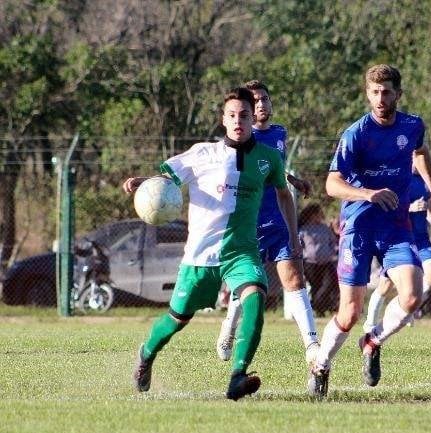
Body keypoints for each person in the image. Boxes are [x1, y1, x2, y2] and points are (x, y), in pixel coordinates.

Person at [125, 87, 300, 400]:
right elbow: (167, 180)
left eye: (244, 115)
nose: (238, 121)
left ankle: (237, 375)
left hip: (242, 252)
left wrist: (293, 235)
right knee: (177, 320)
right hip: (200, 256)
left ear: (252, 117)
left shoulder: (268, 158)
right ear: (223, 119)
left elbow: (284, 195)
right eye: (232, 115)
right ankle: (146, 355)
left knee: (256, 299)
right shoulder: (202, 154)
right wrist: (144, 183)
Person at [307, 64, 431, 398]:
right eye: (374, 92)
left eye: (386, 91)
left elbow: (419, 152)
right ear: (367, 94)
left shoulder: (413, 126)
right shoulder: (356, 134)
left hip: (395, 226)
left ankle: (372, 341)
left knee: (414, 294)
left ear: (398, 94)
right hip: (358, 227)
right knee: (349, 312)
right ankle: (321, 365)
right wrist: (368, 193)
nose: (380, 98)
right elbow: (332, 184)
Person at [215, 80, 320, 366]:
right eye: (255, 101)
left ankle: (312, 343)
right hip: (248, 224)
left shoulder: (279, 133)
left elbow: (274, 170)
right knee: (248, 285)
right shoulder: (239, 141)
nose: (261, 104)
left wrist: (293, 180)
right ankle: (228, 328)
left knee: (295, 280)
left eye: (265, 99)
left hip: (277, 221)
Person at [363, 170, 431, 331]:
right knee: (385, 286)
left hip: (421, 240)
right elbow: (386, 209)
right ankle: (370, 323)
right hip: (400, 240)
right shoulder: (395, 176)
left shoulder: (425, 180)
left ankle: (403, 302)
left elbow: (424, 206)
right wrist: (410, 208)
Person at [298, 203, 339, 315]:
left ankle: (314, 304)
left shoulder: (324, 228)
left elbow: (333, 242)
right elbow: (298, 245)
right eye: (318, 213)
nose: (321, 215)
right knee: (316, 286)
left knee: (329, 283)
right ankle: (319, 311)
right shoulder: (304, 229)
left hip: (326, 262)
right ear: (312, 215)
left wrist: (332, 252)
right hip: (310, 263)